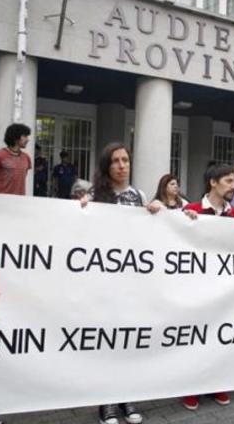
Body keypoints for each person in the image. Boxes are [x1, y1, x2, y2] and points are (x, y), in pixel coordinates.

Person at [81, 142, 161, 424]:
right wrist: (81, 210)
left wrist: (157, 212)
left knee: (128, 342)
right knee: (107, 343)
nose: (121, 165)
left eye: (125, 160)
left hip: (132, 281)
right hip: (105, 281)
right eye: (115, 160)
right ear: (107, 166)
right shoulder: (94, 195)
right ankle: (107, 403)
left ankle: (127, 397)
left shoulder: (138, 195)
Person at [180, 164, 234, 411]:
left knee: (219, 336)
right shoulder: (192, 210)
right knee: (194, 338)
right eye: (228, 181)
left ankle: (216, 382)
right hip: (195, 290)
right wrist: (184, 222)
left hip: (223, 290)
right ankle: (191, 386)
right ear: (213, 183)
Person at [0, 123, 32, 195]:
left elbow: (21, 179)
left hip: (20, 201)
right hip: (2, 200)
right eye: (25, 136)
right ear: (15, 137)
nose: (27, 139)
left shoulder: (26, 157)